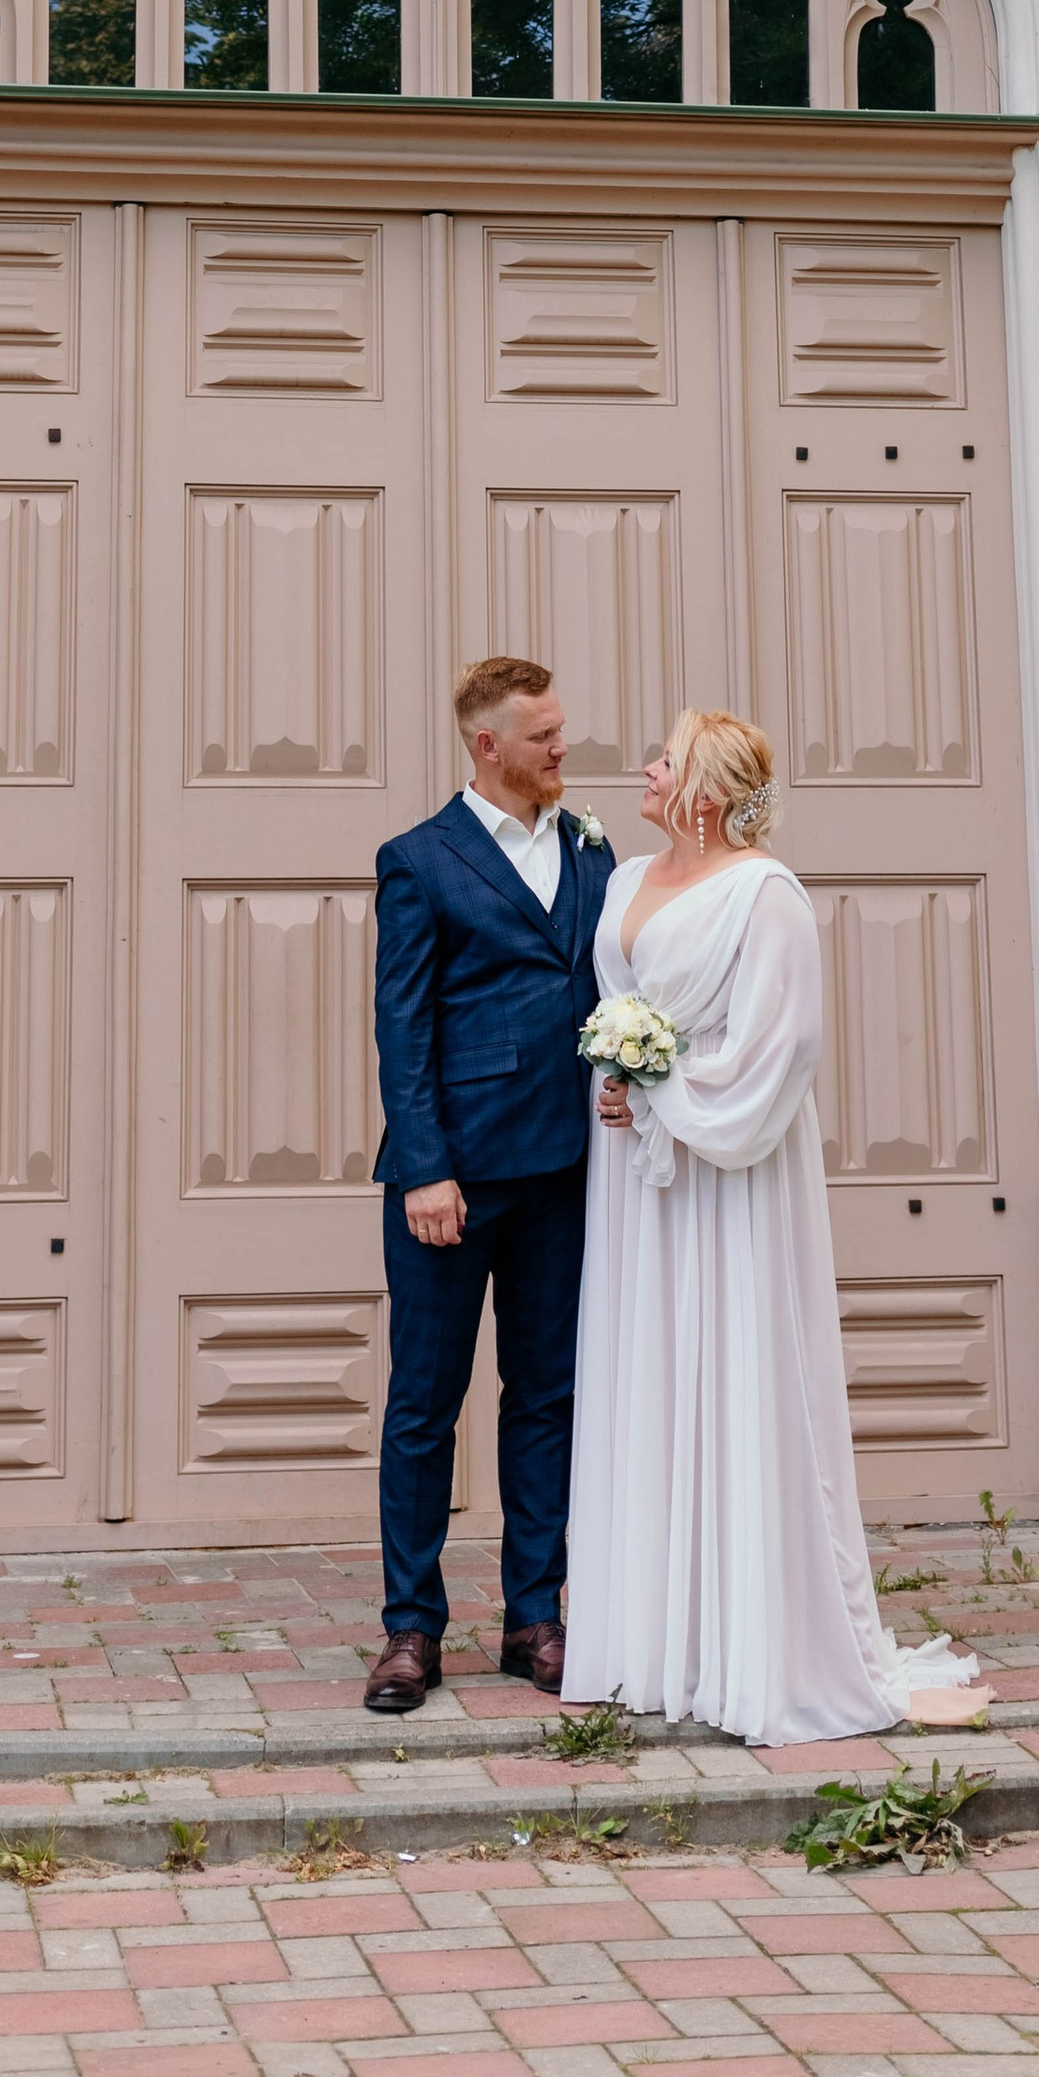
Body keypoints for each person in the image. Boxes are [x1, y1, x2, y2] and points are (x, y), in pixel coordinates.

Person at [562, 708, 980, 1746]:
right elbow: (615, 1014)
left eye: (664, 758)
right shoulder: (621, 885)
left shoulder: (766, 894)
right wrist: (616, 1084)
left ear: (702, 788)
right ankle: (654, 1639)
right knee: (647, 1373)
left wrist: (662, 1090)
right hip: (639, 1181)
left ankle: (754, 1641)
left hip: (730, 1174)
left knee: (736, 1368)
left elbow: (780, 1050)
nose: (645, 770)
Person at [364, 655, 606, 1716]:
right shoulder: (420, 860)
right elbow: (402, 1028)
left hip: (566, 1169)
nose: (563, 748)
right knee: (426, 1405)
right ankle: (411, 1629)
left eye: (561, 730)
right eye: (542, 735)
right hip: (452, 1182)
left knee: (544, 1398)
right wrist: (426, 1167)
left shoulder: (592, 851)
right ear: (486, 745)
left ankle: (534, 1617)